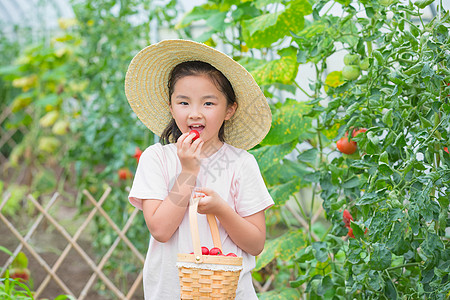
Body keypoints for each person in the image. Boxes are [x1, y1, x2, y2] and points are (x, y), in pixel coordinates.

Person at [125, 39, 274, 299]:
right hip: (172, 292)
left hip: (230, 293)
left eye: (208, 103)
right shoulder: (156, 159)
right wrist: (188, 172)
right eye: (184, 103)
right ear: (170, 107)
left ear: (230, 109)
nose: (195, 113)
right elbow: (160, 230)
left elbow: (256, 243)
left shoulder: (241, 163)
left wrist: (221, 210)